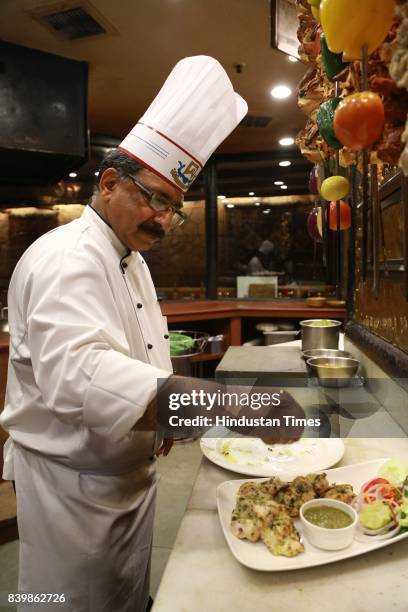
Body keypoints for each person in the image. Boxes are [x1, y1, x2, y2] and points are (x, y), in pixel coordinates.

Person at [1, 56, 304, 611]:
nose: (165, 219)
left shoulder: (129, 255)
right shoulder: (69, 259)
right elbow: (86, 380)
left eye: (175, 207)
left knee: (126, 595)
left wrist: (161, 420)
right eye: (156, 198)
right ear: (111, 182)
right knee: (63, 601)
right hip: (72, 493)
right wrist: (243, 406)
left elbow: (138, 356)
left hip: (123, 478)